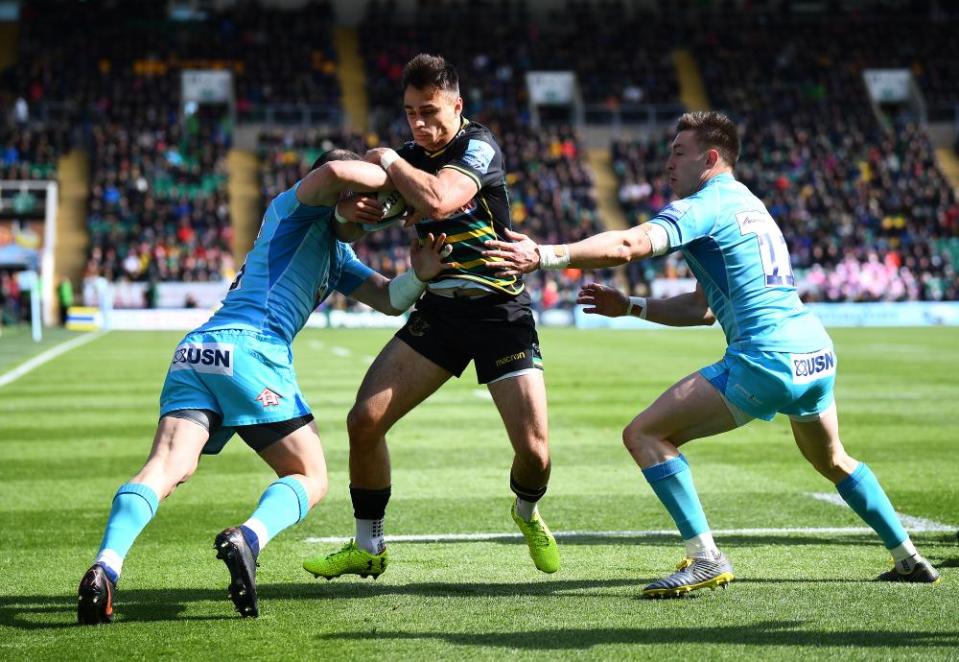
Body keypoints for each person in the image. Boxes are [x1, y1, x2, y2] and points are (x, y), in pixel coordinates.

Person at [482, 111, 940, 597]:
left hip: (766, 358)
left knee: (644, 434)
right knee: (834, 460)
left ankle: (705, 557)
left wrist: (547, 255)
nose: (668, 164)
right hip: (815, 353)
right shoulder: (751, 205)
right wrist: (632, 306)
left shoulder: (706, 204)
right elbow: (704, 309)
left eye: (679, 153)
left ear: (711, 158)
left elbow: (628, 244)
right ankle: (907, 556)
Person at [76, 149, 449, 624]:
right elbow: (334, 173)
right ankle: (248, 538)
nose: (379, 214)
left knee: (167, 466)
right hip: (252, 350)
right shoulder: (293, 209)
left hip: (198, 352)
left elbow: (389, 299)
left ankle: (106, 566)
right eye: (373, 203)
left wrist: (418, 274)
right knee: (310, 476)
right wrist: (394, 175)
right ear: (347, 197)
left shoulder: (338, 254)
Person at [302, 54, 559, 580]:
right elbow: (352, 232)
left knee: (534, 454)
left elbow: (440, 200)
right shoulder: (408, 156)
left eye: (430, 111)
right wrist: (351, 214)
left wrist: (391, 164)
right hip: (439, 311)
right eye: (410, 113)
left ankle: (526, 512)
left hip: (498, 311)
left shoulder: (478, 146)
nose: (419, 124)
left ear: (457, 106)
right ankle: (368, 545)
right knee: (364, 421)